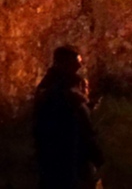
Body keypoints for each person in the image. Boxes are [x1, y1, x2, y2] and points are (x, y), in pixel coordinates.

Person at [32, 47, 102, 189]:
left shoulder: (60, 85)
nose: (80, 65)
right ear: (64, 63)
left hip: (56, 152)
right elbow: (84, 127)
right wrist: (97, 155)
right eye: (76, 62)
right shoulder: (63, 92)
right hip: (66, 152)